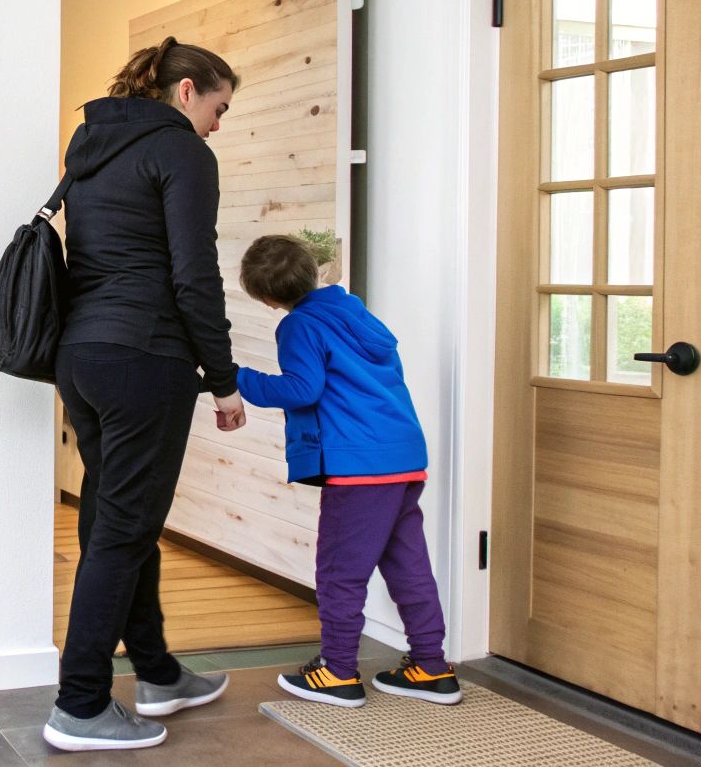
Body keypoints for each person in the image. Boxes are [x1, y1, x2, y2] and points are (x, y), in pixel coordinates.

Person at [42, 37, 247, 752]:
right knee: (124, 531)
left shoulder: (90, 143)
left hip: (83, 355)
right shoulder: (184, 152)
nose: (219, 124)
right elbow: (195, 276)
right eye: (219, 107)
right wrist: (222, 380)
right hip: (145, 355)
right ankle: (80, 705)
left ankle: (158, 673)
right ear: (187, 90)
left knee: (115, 520)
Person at [233, 233, 462, 708]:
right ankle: (430, 666)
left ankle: (337, 671)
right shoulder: (356, 312)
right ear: (311, 271)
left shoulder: (299, 326)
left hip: (357, 467)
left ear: (267, 297)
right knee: (408, 566)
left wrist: (235, 377)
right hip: (402, 460)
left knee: (340, 571)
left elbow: (301, 389)